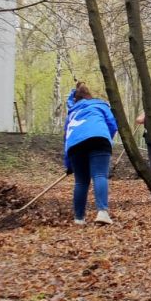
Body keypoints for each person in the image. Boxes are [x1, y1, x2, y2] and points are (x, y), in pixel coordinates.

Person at [64, 82, 118, 225]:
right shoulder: (100, 105)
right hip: (99, 139)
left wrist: (69, 164)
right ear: (89, 96)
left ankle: (79, 218)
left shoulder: (72, 113)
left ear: (75, 99)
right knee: (99, 175)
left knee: (81, 181)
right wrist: (107, 137)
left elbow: (67, 137)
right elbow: (112, 125)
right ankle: (102, 212)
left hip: (75, 145)